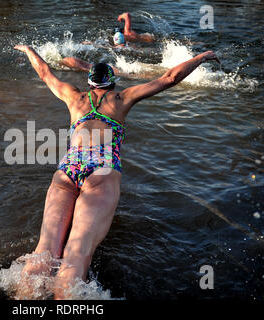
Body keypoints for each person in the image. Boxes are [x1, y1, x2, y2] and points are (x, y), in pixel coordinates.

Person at [13, 44, 219, 299]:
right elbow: (170, 77)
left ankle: (23, 299)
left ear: (90, 83)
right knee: (76, 253)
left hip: (67, 168)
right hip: (100, 169)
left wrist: (28, 49)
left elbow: (44, 72)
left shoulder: (73, 96)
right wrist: (202, 56)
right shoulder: (122, 99)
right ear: (112, 83)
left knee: (44, 250)